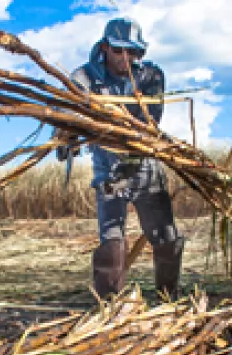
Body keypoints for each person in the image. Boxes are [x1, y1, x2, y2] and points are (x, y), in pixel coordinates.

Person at [59, 17, 184, 300]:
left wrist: (130, 150)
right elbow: (68, 111)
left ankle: (170, 299)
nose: (126, 58)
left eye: (134, 51)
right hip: (108, 171)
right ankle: (109, 304)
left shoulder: (151, 76)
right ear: (104, 47)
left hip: (145, 169)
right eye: (118, 50)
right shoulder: (85, 77)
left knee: (166, 236)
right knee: (112, 240)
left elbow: (149, 122)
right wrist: (66, 135)